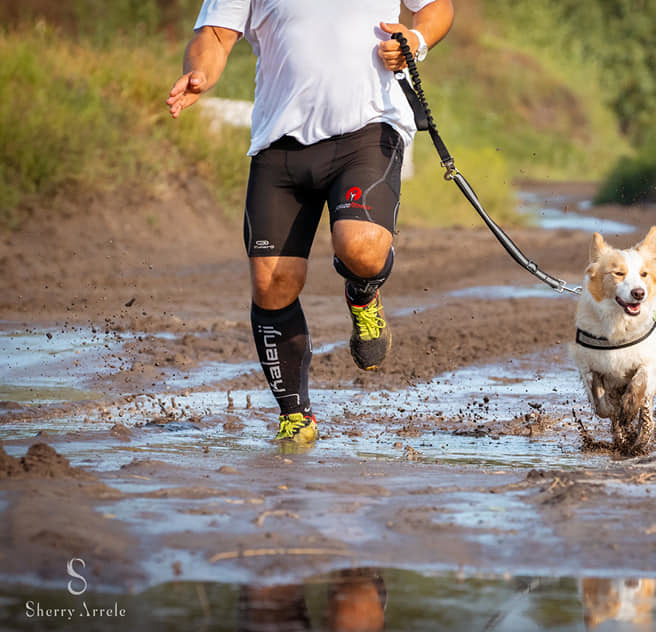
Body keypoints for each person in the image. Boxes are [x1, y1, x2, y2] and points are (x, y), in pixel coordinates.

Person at [166, 0, 454, 444]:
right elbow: (216, 35)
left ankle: (363, 293)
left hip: (368, 129)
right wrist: (200, 74)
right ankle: (295, 415)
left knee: (360, 246)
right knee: (272, 282)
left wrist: (415, 41)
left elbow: (436, 7)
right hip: (280, 141)